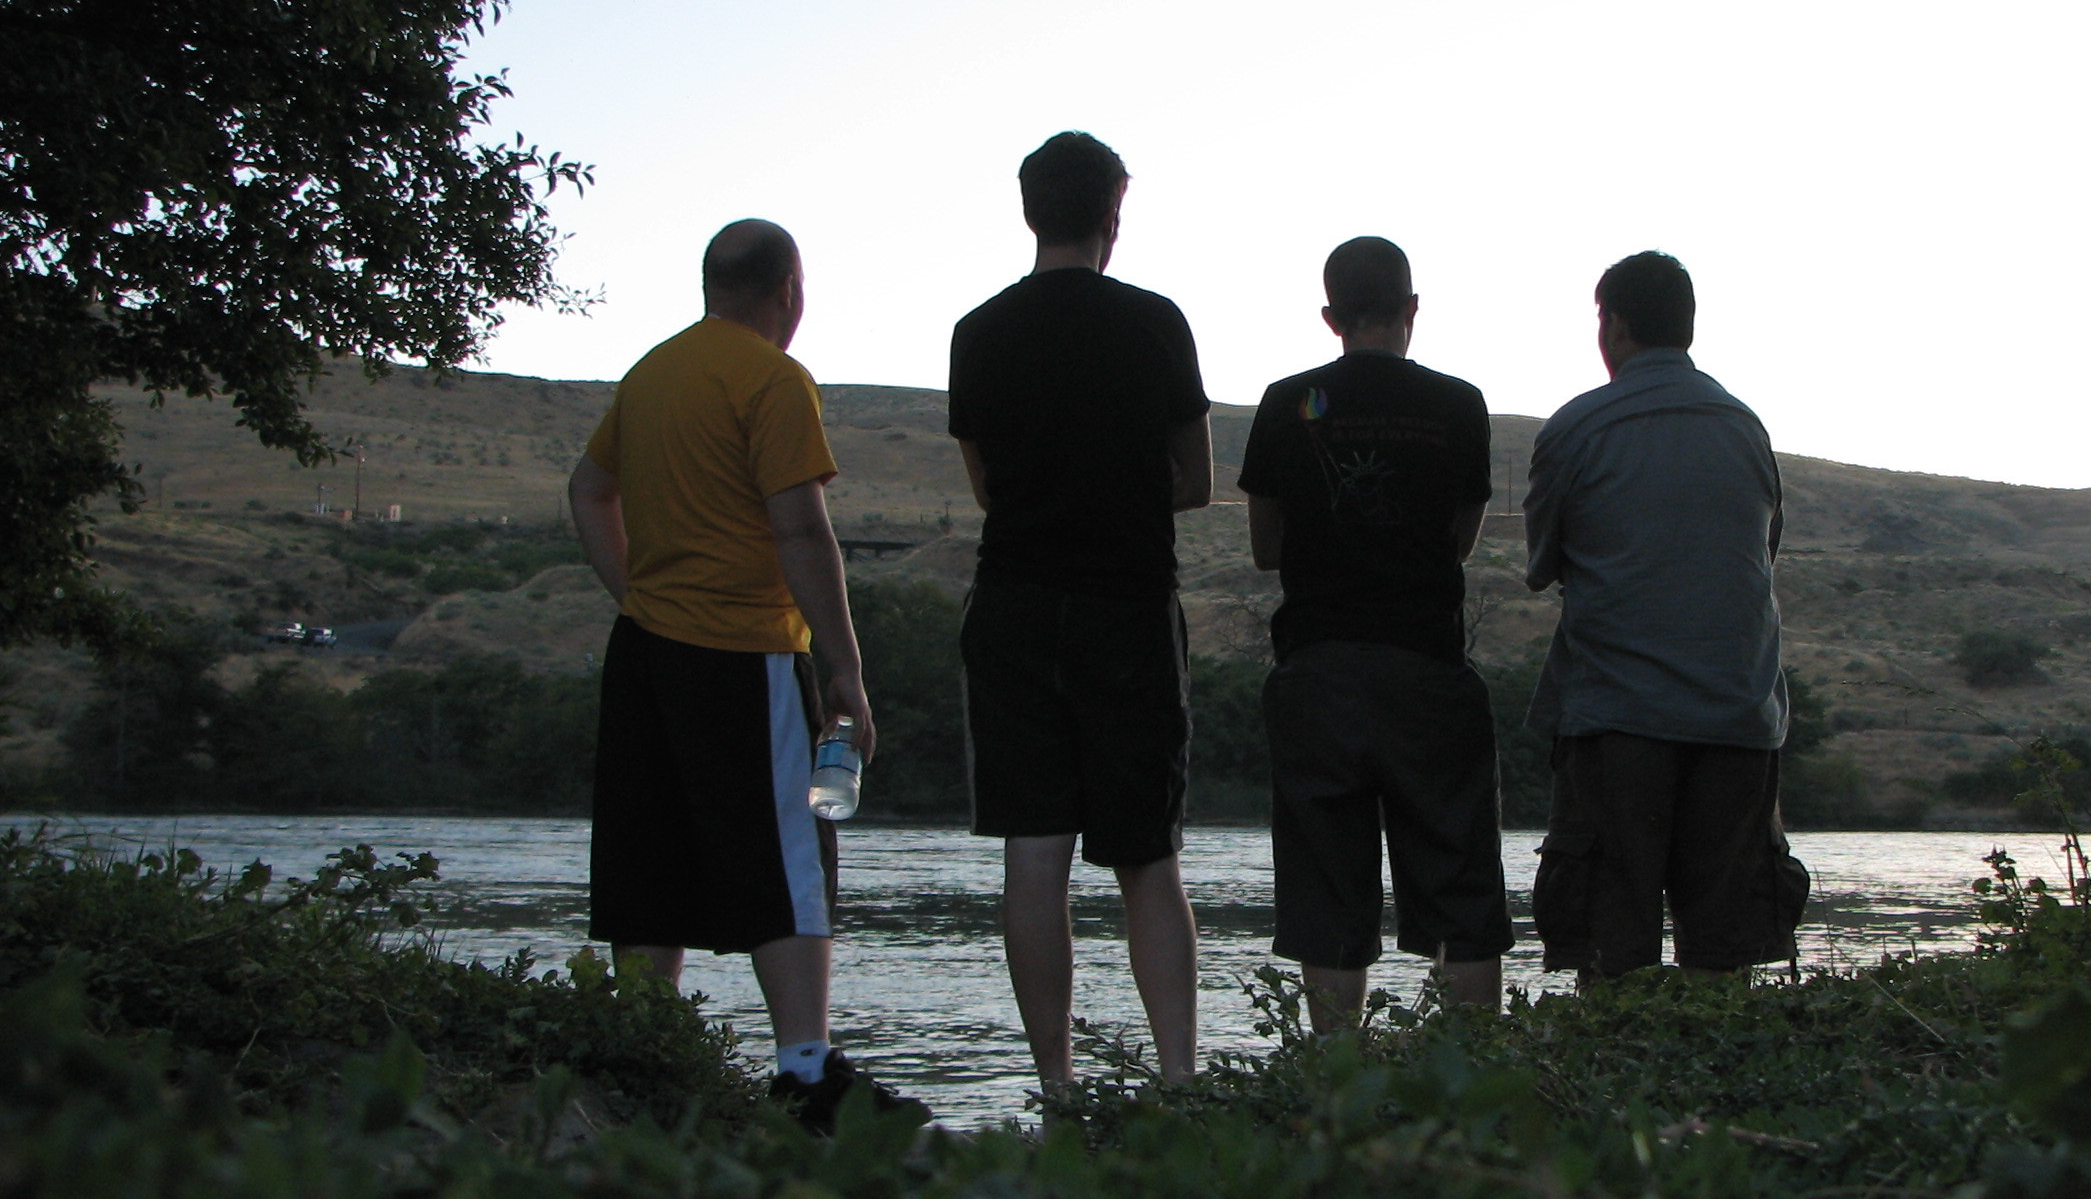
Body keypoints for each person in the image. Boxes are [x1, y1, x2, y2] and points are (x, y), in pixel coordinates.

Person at [568, 219, 910, 1131]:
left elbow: (588, 490)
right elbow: (801, 529)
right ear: (789, 290)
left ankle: (644, 1055)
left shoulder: (651, 374)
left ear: (711, 283)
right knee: (793, 855)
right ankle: (804, 1071)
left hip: (645, 652)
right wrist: (846, 669)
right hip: (747, 651)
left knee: (651, 853)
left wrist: (635, 587)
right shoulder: (773, 379)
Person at [948, 133, 1211, 1087]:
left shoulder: (977, 332)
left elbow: (987, 490)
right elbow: (1195, 481)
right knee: (1148, 855)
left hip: (1013, 603)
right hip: (1128, 608)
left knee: (1034, 853)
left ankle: (1056, 1088)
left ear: (1029, 212)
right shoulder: (1156, 324)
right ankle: (1180, 1082)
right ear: (1112, 215)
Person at [1238, 237, 1512, 1030]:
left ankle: (1333, 1093)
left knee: (1328, 896)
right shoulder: (1460, 406)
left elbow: (1264, 548)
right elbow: (1458, 540)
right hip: (1428, 670)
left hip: (1318, 673)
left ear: (1331, 317)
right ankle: (1471, 1080)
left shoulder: (1287, 401)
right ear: (1412, 310)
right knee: (1460, 892)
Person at [1524, 250, 1807, 980]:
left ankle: (1613, 1085)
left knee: (1613, 951)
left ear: (1612, 324)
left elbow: (1543, 564)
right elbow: (1762, 555)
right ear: (1686, 325)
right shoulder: (1745, 427)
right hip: (1738, 719)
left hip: (1617, 722)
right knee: (1724, 952)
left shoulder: (1576, 428)